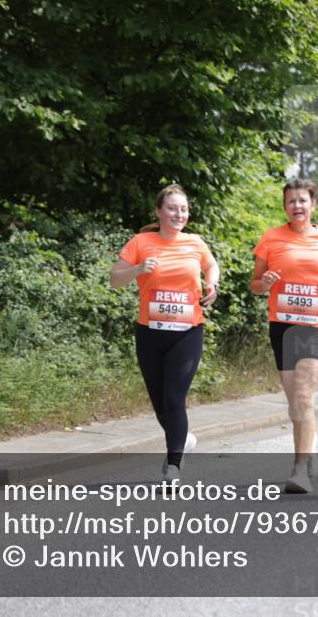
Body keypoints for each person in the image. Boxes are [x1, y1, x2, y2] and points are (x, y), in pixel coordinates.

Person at [109, 184, 219, 481]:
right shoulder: (141, 242)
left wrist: (213, 284)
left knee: (174, 398)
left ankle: (173, 465)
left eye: (183, 209)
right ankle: (184, 440)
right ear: (158, 212)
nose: (178, 214)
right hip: (150, 333)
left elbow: (212, 266)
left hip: (187, 332)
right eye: (172, 208)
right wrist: (138, 269)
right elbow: (115, 279)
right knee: (160, 404)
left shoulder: (195, 242)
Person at [251, 178, 318, 494]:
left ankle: (299, 470)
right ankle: (309, 449)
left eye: (302, 200)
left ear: (313, 204)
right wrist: (264, 283)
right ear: (285, 206)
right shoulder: (271, 238)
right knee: (295, 403)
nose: (297, 206)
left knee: (303, 396)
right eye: (291, 201)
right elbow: (255, 284)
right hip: (283, 327)